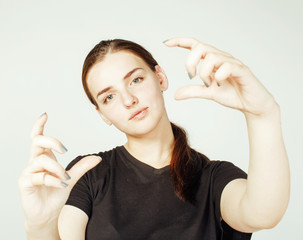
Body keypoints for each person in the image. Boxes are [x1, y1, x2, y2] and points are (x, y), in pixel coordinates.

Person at [18, 37, 290, 240]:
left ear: (160, 77)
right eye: (109, 97)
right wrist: (41, 225)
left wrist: (263, 115)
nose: (128, 100)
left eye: (135, 80)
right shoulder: (88, 174)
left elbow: (262, 213)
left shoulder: (214, 178)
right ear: (102, 113)